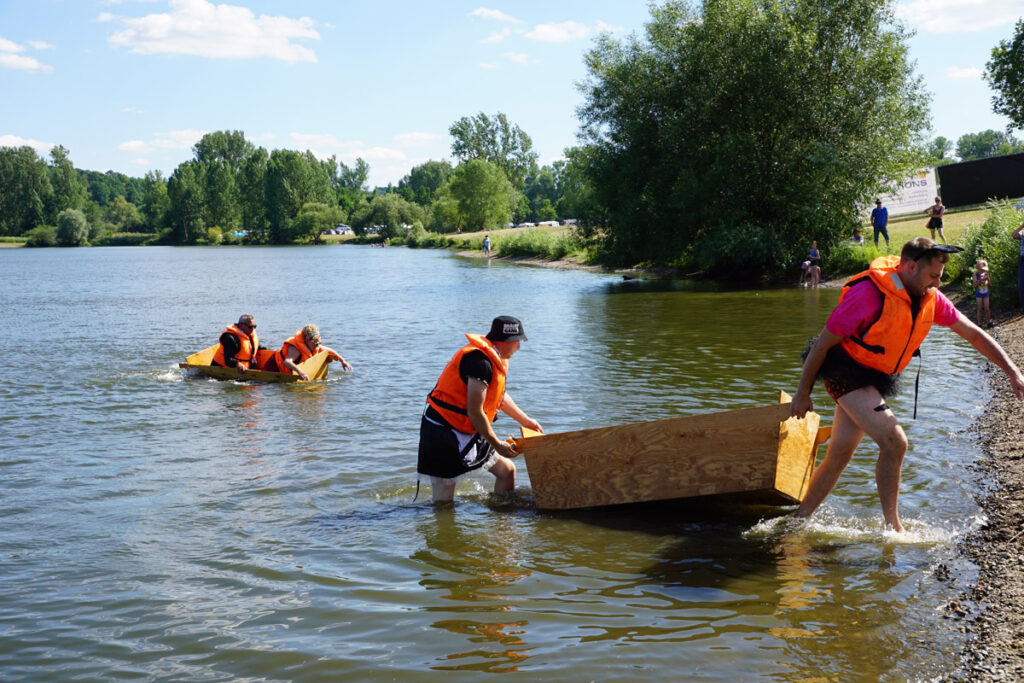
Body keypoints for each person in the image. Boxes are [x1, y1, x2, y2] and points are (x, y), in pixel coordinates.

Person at [791, 237, 1024, 532]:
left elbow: (975, 335)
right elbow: (821, 346)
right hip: (843, 371)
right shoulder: (867, 295)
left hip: (874, 377)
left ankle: (798, 521)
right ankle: (894, 530)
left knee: (840, 454)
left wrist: (1013, 371)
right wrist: (802, 394)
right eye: (933, 276)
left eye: (940, 277)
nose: (937, 284)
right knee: (895, 441)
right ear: (911, 267)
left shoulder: (930, 298)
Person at [418, 316, 543, 503]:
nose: (519, 347)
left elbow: (499, 397)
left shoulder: (496, 358)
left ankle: (500, 516)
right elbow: (475, 411)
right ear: (505, 341)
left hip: (470, 428)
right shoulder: (479, 363)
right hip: (443, 431)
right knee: (444, 496)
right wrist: (497, 444)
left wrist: (526, 421)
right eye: (517, 342)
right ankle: (442, 520)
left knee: (507, 471)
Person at [260, 324, 353, 380]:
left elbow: (330, 350)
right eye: (315, 343)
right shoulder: (296, 349)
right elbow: (287, 362)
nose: (318, 345)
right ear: (307, 341)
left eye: (319, 342)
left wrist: (343, 361)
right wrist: (301, 372)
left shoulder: (314, 345)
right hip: (274, 366)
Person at [974, 259, 992, 328]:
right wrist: (980, 280)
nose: (983, 271)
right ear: (978, 268)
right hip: (979, 294)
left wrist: (988, 279)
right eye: (981, 269)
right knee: (980, 309)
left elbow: (990, 284)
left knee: (987, 308)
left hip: (986, 293)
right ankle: (979, 324)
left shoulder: (986, 274)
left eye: (984, 270)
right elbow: (975, 285)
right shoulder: (976, 275)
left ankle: (988, 322)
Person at [1012, 220, 1024, 314]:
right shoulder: (1022, 233)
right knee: (1021, 285)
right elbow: (1013, 235)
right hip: (1023, 260)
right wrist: (1021, 226)